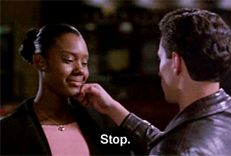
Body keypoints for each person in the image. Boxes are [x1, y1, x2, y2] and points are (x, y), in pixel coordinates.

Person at [76, 8, 231, 155]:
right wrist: (113, 109)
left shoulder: (178, 147)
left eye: (160, 58)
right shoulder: (230, 115)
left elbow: (174, 147)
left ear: (175, 62)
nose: (159, 71)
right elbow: (171, 142)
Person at [0, 24, 133, 155]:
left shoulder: (97, 121)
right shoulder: (9, 131)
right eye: (68, 59)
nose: (80, 70)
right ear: (40, 61)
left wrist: (113, 107)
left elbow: (145, 149)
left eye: (84, 63)